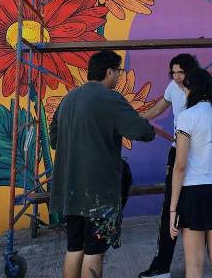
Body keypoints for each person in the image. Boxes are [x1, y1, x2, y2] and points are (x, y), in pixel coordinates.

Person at [49, 50, 156, 278]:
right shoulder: (110, 98)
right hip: (99, 193)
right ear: (109, 71)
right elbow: (142, 132)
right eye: (118, 71)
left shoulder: (69, 98)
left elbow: (53, 138)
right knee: (94, 251)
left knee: (74, 248)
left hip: (69, 190)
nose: (119, 77)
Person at [169, 68, 212, 278]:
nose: (184, 93)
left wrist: (173, 209)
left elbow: (180, 165)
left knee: (194, 265)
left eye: (185, 89)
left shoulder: (186, 116)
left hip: (193, 193)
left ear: (192, 89)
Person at [138, 54, 200, 278]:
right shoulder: (173, 87)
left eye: (180, 72)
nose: (176, 77)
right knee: (169, 211)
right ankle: (161, 266)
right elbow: (158, 108)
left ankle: (199, 265)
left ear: (190, 72)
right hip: (178, 152)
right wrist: (139, 117)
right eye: (173, 72)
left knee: (194, 210)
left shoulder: (201, 90)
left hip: (198, 155)